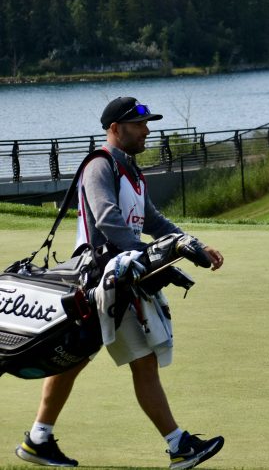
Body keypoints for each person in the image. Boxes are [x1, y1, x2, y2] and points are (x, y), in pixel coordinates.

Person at [15, 97, 226, 470]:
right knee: (139, 362)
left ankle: (38, 438)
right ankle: (179, 446)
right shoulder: (100, 165)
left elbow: (154, 222)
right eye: (139, 125)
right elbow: (108, 219)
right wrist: (147, 254)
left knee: (75, 361)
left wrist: (188, 242)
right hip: (103, 282)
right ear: (116, 128)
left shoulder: (131, 171)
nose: (147, 131)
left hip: (122, 281)